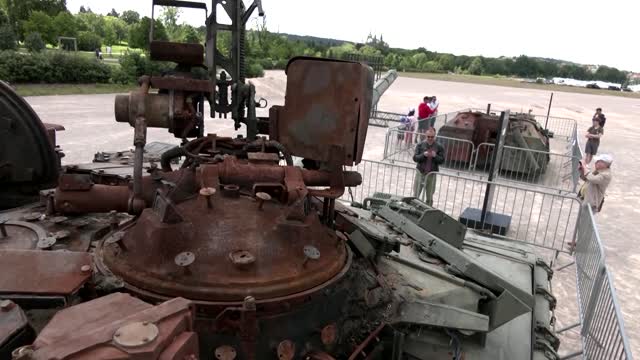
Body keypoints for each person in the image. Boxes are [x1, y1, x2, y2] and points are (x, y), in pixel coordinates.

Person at [413, 127, 445, 206]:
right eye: (428, 137)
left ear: (435, 136)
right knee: (415, 195)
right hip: (420, 172)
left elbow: (442, 160)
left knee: (429, 197)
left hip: (431, 174)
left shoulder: (439, 146)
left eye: (432, 137)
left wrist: (435, 156)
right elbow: (415, 158)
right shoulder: (420, 145)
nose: (430, 138)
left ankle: (428, 211)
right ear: (425, 135)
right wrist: (423, 155)